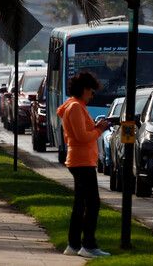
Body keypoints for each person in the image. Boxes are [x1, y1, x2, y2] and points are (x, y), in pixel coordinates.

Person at [58, 72, 112, 259]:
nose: (92, 95)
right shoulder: (75, 108)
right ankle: (88, 244)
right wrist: (99, 129)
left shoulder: (76, 106)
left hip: (82, 160)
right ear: (83, 90)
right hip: (81, 161)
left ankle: (73, 244)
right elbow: (81, 136)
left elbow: (82, 131)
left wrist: (95, 127)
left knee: (80, 204)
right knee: (93, 203)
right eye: (91, 91)